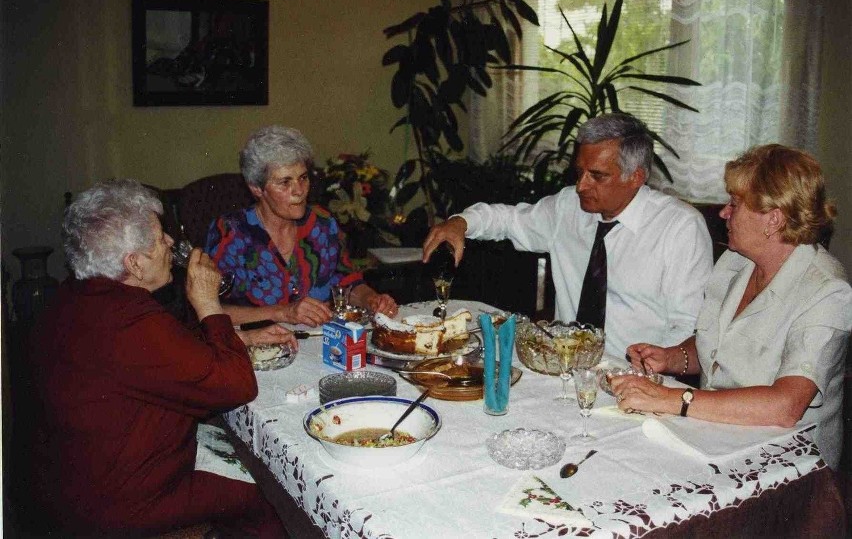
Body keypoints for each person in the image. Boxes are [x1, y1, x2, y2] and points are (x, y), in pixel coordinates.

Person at [30, 180, 290, 536]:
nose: (170, 241)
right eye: (159, 237)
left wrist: (240, 337)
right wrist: (208, 305)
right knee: (273, 494)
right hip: (124, 501)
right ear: (134, 264)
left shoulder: (76, 296)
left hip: (71, 485)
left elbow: (159, 357)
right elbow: (237, 387)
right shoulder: (128, 319)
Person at [615, 145, 852, 470]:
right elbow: (718, 348)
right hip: (714, 433)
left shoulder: (827, 291)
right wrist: (671, 358)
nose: (724, 213)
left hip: (788, 464)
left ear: (773, 219)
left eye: (735, 204)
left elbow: (786, 406)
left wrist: (673, 399)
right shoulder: (735, 263)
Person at [422, 113, 713, 357]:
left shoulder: (679, 228)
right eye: (579, 172)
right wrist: (460, 222)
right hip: (564, 363)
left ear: (635, 177)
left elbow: (688, 328)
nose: (581, 186)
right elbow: (508, 219)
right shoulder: (567, 208)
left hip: (636, 374)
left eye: (597, 176)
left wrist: (645, 370)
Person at [205, 125, 398, 326]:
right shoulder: (230, 233)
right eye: (285, 182)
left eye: (303, 178)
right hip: (258, 349)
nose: (299, 191)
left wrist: (371, 299)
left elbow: (347, 281)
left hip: (318, 343)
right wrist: (282, 312)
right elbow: (209, 310)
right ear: (257, 189)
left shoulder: (322, 224)